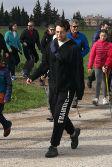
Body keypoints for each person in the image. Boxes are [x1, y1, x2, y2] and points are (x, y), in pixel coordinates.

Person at [27, 20, 83, 158]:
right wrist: (32, 76)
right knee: (58, 114)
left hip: (68, 88)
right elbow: (44, 65)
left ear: (67, 31)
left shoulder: (73, 48)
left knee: (59, 117)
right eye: (57, 32)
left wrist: (79, 91)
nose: (59, 34)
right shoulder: (51, 46)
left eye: (62, 32)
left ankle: (53, 146)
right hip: (53, 86)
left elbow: (78, 70)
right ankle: (73, 132)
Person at [67, 19, 89, 108]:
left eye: (77, 26)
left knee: (78, 81)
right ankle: (70, 98)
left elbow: (87, 48)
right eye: (74, 26)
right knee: (69, 80)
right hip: (68, 62)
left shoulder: (82, 37)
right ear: (70, 27)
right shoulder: (67, 36)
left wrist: (80, 55)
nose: (75, 28)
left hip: (78, 63)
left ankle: (76, 98)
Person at [87, 30, 111, 105]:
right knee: (98, 81)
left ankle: (104, 98)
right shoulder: (96, 44)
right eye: (101, 36)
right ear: (99, 36)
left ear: (107, 36)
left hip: (106, 66)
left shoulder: (110, 45)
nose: (103, 37)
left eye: (104, 36)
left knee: (105, 81)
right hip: (97, 65)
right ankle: (96, 98)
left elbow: (110, 57)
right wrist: (90, 66)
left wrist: (106, 65)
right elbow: (92, 56)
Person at [89, 21, 111, 88]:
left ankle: (108, 88)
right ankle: (90, 79)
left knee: (107, 70)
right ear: (102, 26)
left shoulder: (107, 34)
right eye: (106, 28)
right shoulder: (97, 34)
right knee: (98, 70)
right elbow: (94, 45)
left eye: (108, 28)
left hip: (106, 55)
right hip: (98, 55)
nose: (107, 29)